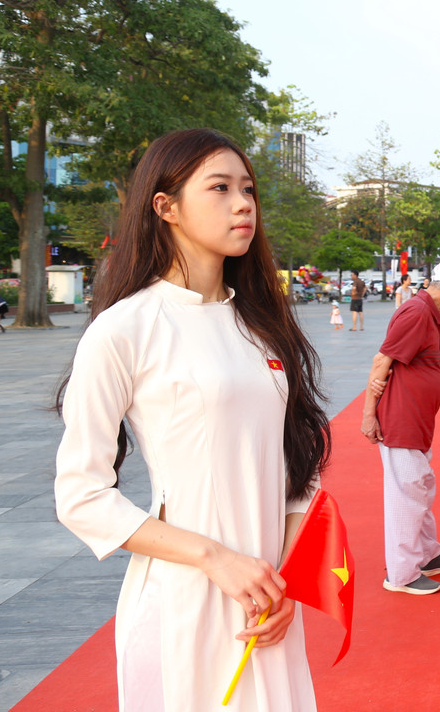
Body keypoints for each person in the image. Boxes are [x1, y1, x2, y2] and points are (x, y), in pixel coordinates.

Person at [54, 128, 331, 711]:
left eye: (249, 190)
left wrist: (284, 582)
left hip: (266, 604)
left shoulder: (261, 326)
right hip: (185, 599)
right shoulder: (125, 328)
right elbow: (80, 496)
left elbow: (298, 470)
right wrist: (215, 558)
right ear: (166, 207)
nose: (243, 204)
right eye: (221, 188)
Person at [360, 256, 440, 595]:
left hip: (414, 421)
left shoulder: (429, 314)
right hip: (401, 421)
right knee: (407, 495)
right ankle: (401, 574)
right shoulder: (417, 312)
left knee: (420, 488)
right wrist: (368, 414)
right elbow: (381, 361)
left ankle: (428, 555)